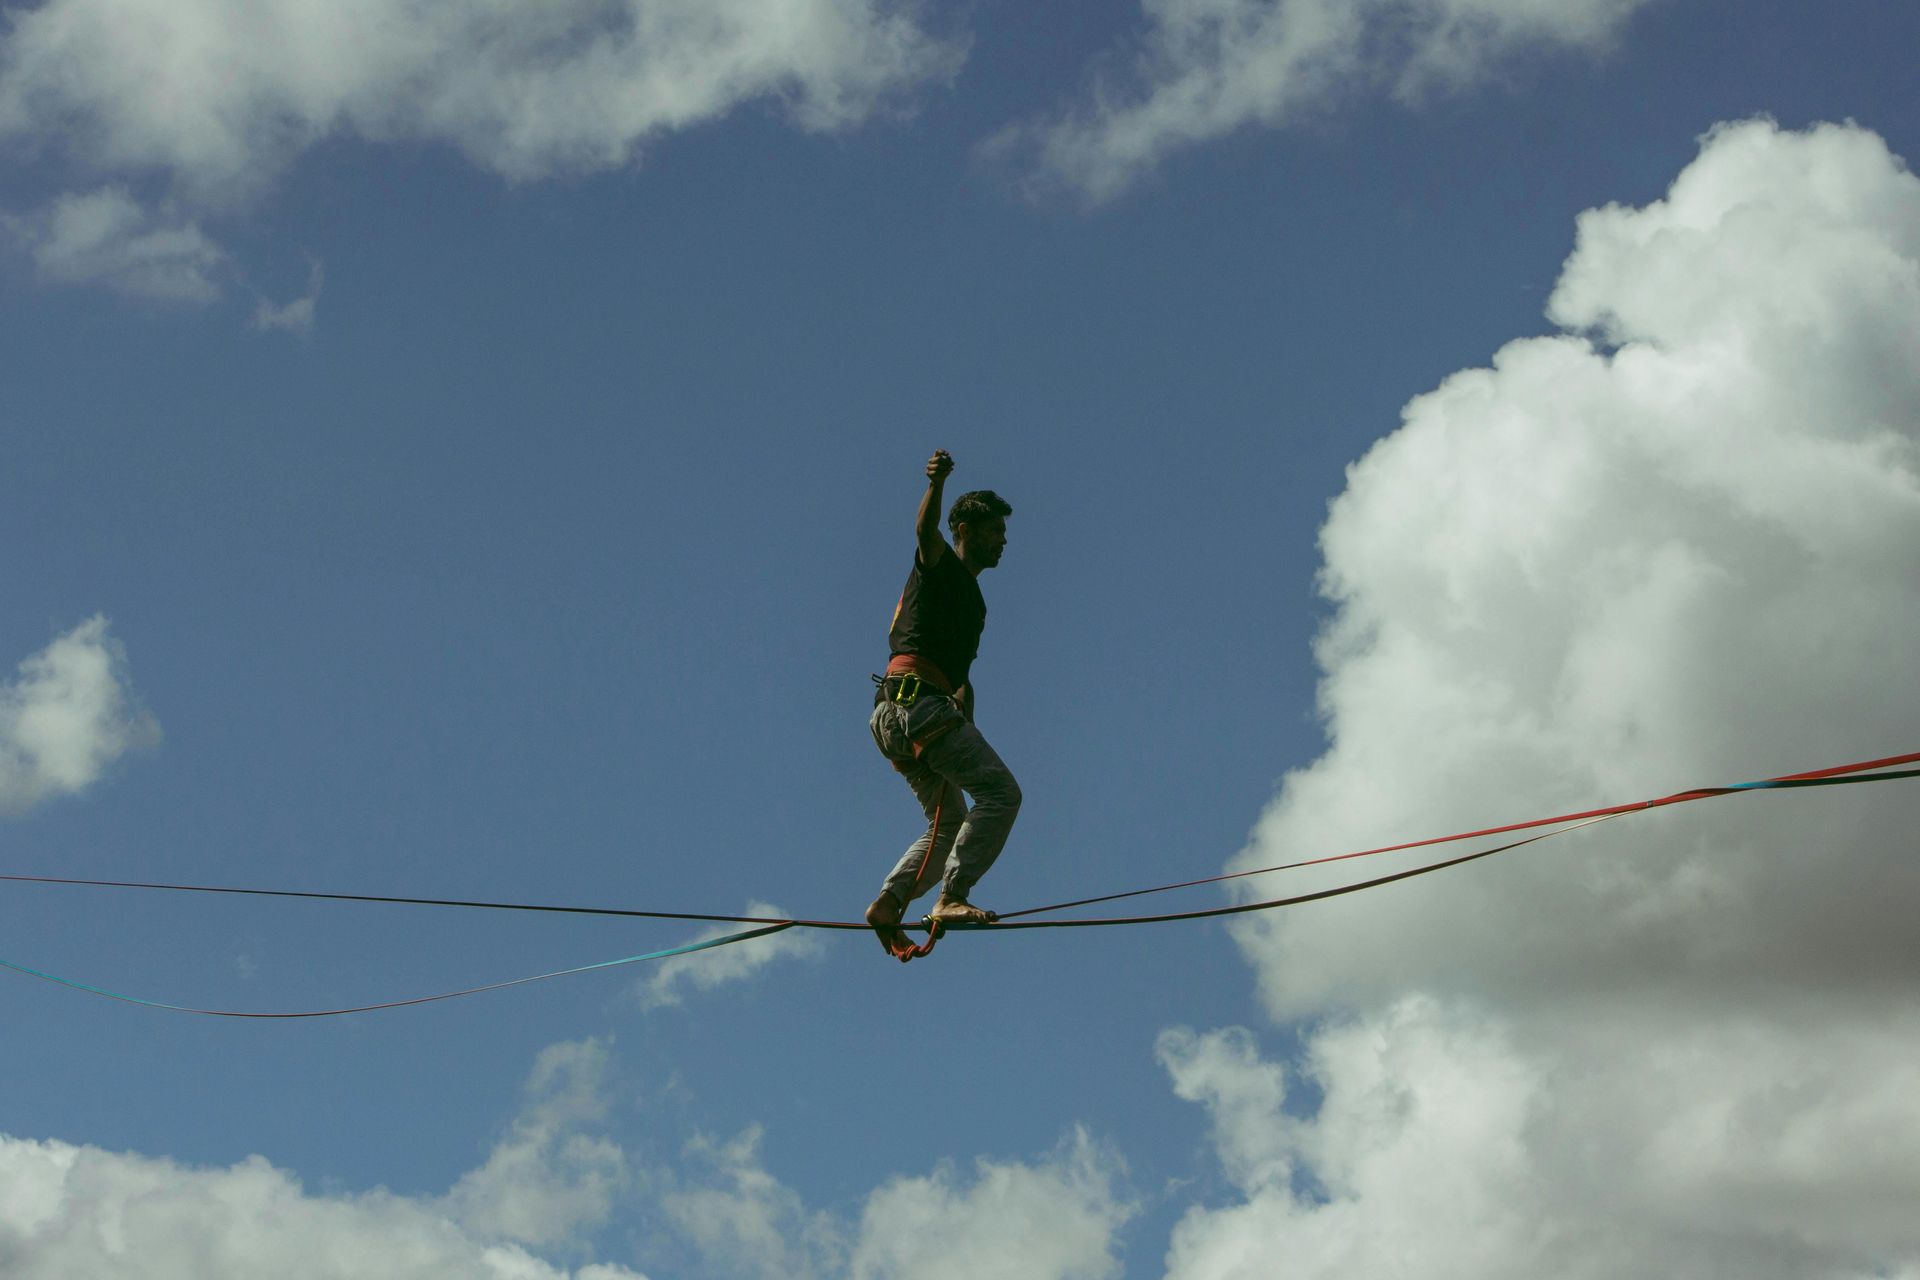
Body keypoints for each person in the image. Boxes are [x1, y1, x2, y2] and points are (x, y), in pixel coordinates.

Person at [865, 449, 1021, 959]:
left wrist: (966, 725)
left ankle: (889, 904)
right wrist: (937, 483)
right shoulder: (939, 565)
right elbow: (923, 530)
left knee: (948, 823)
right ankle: (952, 895)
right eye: (994, 530)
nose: (1003, 540)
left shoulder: (974, 602)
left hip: (898, 715)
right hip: (916, 708)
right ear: (966, 530)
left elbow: (962, 681)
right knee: (1000, 794)